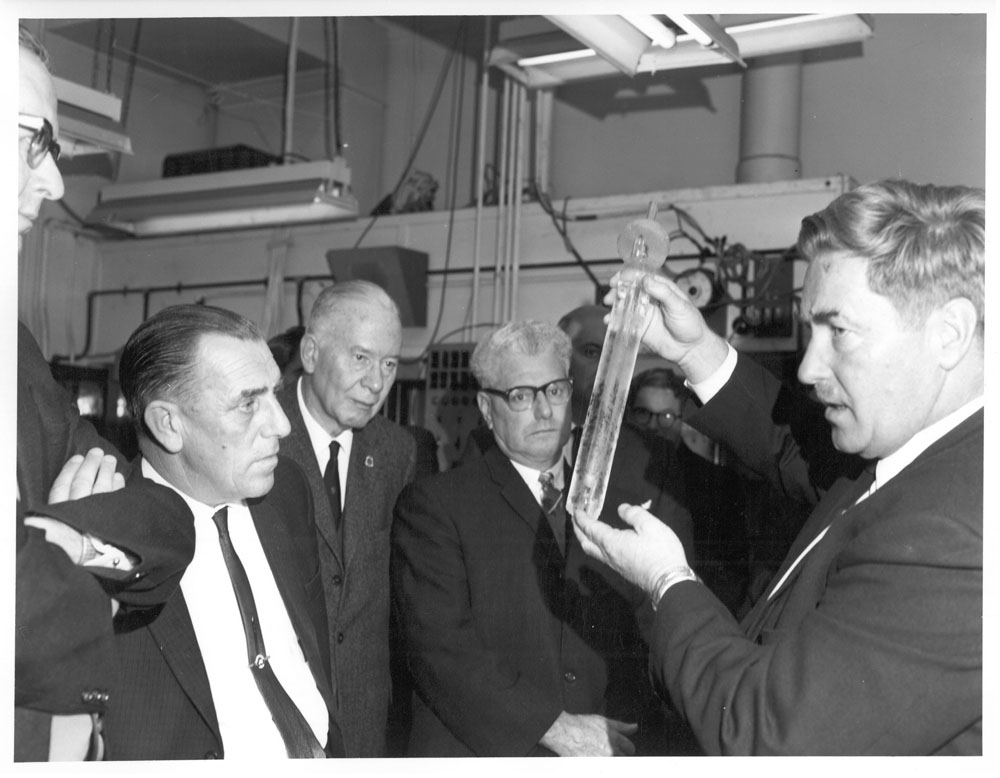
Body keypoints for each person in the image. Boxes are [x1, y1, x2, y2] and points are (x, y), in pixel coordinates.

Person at [574, 179, 983, 754]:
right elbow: (801, 450)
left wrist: (668, 582)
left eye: (838, 331)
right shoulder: (912, 453)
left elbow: (773, 736)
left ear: (949, 333)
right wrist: (694, 351)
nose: (811, 367)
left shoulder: (953, 535)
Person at [16, 26, 195, 762]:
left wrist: (57, 540)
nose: (56, 183)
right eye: (33, 140)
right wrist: (83, 547)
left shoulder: (14, 352)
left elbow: (163, 523)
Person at [392, 320, 666, 757]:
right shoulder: (435, 506)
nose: (544, 411)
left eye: (554, 390)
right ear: (485, 407)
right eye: (521, 396)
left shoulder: (618, 503)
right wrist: (556, 730)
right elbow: (441, 650)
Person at [104, 304, 346, 760]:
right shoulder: (107, 543)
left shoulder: (287, 490)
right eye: (248, 403)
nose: (283, 424)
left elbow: (311, 644)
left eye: (274, 394)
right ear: (168, 424)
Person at [275, 280, 434, 756]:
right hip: (282, 713)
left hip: (367, 722)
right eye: (360, 358)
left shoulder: (397, 451)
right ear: (310, 352)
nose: (376, 383)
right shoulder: (260, 435)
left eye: (389, 365)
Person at [464, 304, 693, 558]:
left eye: (616, 353)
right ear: (561, 359)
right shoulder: (486, 445)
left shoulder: (652, 455)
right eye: (592, 351)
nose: (608, 365)